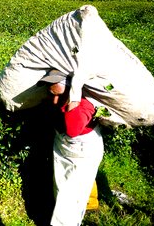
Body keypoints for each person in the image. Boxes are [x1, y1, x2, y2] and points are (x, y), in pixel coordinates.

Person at [38, 69, 104, 226]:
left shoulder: (84, 105)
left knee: (70, 199)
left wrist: (73, 101)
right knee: (61, 185)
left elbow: (73, 129)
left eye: (59, 95)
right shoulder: (57, 98)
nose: (54, 100)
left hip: (82, 150)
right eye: (51, 93)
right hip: (64, 145)